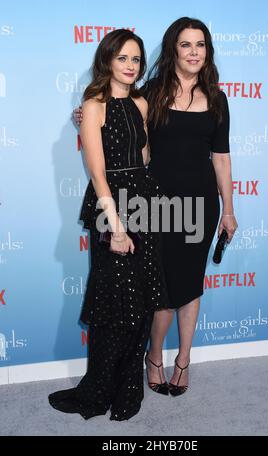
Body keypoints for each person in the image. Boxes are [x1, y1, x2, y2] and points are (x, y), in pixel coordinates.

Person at [74, 17, 238, 398]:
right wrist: (82, 117)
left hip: (201, 204)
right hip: (157, 205)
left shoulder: (217, 98)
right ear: (173, 50)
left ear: (207, 52)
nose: (194, 52)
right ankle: (154, 358)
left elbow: (223, 157)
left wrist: (228, 209)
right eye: (186, 44)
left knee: (192, 287)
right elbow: (117, 113)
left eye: (201, 44)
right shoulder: (151, 92)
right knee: (163, 288)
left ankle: (184, 360)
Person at [48, 29, 169, 422]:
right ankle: (100, 388)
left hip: (146, 202)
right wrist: (116, 227)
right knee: (114, 304)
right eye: (123, 58)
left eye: (136, 59)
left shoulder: (141, 103)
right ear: (107, 61)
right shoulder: (94, 104)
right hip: (112, 206)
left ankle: (129, 388)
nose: (131, 66)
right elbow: (97, 172)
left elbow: (145, 155)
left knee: (143, 302)